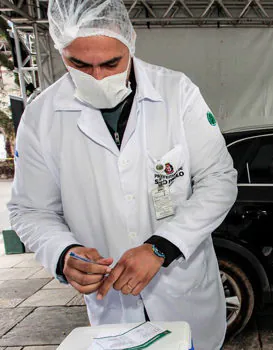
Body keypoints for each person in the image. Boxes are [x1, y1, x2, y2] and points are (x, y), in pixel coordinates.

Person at [7, 1, 237, 349]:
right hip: (111, 304)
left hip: (183, 291)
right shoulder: (42, 116)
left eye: (111, 63)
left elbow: (218, 180)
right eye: (79, 64)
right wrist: (63, 252)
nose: (98, 76)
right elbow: (30, 209)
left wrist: (163, 247)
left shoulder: (177, 93)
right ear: (61, 52)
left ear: (130, 41)